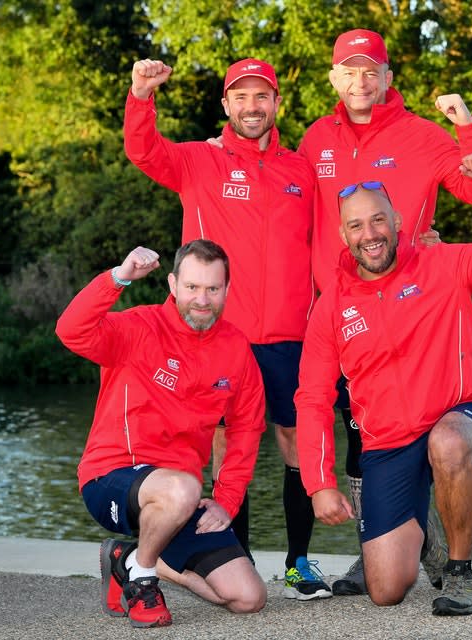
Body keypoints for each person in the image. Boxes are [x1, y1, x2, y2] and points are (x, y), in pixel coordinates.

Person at [298, 28, 472, 594]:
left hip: (420, 304)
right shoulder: (315, 139)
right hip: (345, 314)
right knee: (360, 434)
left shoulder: (422, 134)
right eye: (350, 70)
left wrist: (467, 123)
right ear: (334, 78)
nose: (361, 81)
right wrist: (225, 151)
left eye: (372, 70)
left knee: (448, 426)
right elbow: (283, 198)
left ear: (388, 78)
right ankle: (381, 542)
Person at [295, 150, 472, 615]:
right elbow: (311, 398)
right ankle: (426, 536)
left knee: (447, 444)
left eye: (377, 220)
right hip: (388, 443)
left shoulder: (443, 265)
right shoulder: (331, 306)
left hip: (459, 415)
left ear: (398, 220)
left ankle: (459, 568)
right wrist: (318, 483)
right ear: (342, 235)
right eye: (355, 226)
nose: (369, 234)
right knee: (385, 589)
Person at [123, 58, 332, 600]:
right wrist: (141, 97)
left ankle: (298, 563)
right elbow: (143, 151)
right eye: (241, 98)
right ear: (226, 107)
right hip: (220, 338)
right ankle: (232, 557)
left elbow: (334, 235)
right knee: (223, 445)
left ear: (276, 104)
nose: (252, 107)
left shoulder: (300, 170)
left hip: (290, 335)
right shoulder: (199, 160)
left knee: (293, 441)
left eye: (262, 96)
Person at [55, 240, 268, 628]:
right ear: (173, 284)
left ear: (227, 290)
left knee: (248, 597)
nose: (202, 299)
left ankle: (131, 559)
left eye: (212, 289)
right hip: (112, 476)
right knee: (183, 488)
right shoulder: (138, 326)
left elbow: (247, 427)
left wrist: (227, 500)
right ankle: (142, 578)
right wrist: (118, 278)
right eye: (192, 287)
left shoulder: (236, 348)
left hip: (178, 499)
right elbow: (70, 330)